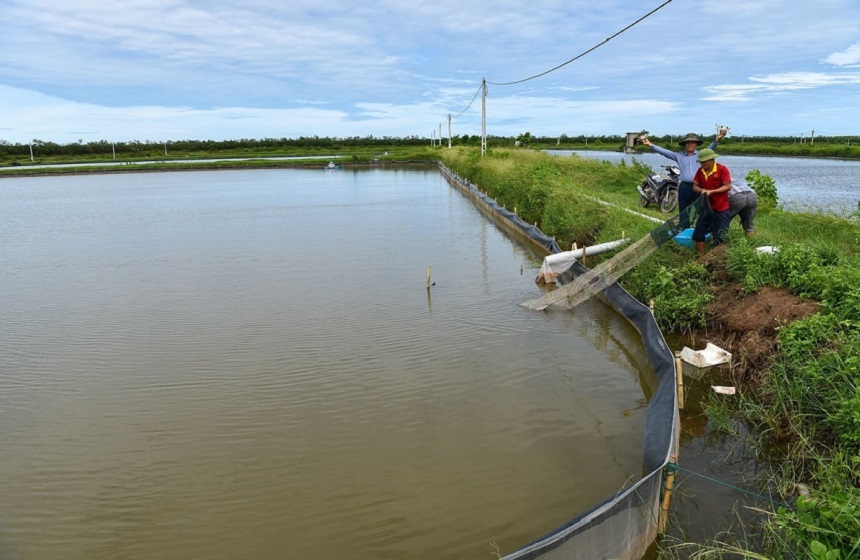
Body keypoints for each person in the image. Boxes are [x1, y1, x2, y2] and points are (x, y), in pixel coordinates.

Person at [641, 130, 726, 216]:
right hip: (684, 187)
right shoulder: (679, 155)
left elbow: (710, 148)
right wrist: (650, 144)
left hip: (698, 187)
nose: (690, 145)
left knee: (703, 211)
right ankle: (684, 227)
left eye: (693, 143)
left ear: (696, 144)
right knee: (684, 212)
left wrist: (717, 139)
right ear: (685, 144)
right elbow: (665, 152)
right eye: (688, 143)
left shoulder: (701, 155)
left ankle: (703, 228)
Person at [691, 148, 732, 256]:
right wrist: (702, 190)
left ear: (711, 159)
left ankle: (718, 261)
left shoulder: (722, 169)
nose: (702, 164)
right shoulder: (700, 171)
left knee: (720, 236)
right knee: (698, 234)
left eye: (704, 162)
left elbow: (728, 186)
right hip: (706, 208)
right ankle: (701, 259)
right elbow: (695, 186)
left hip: (721, 208)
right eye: (700, 162)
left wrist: (712, 192)